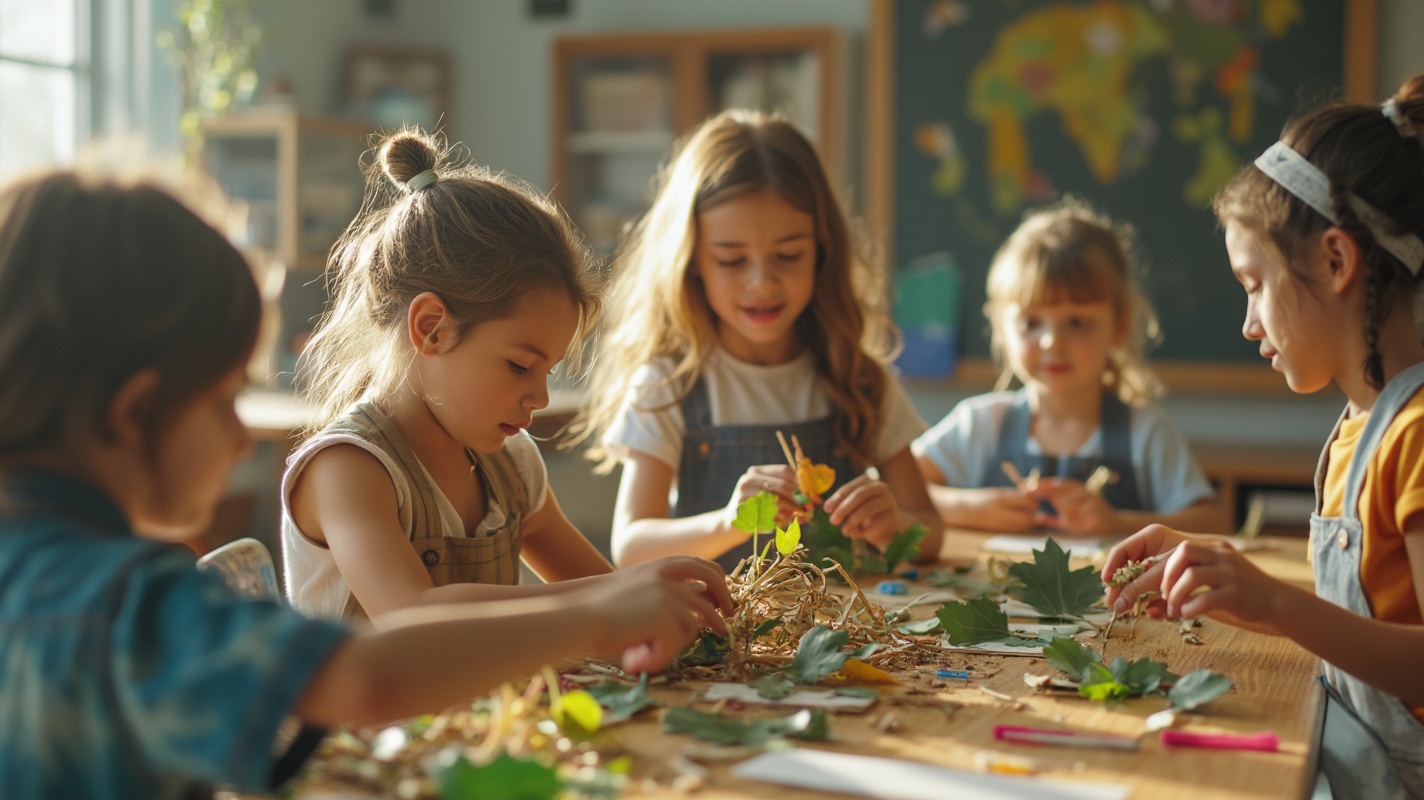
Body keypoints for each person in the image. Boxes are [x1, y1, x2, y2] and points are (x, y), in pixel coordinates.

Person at [0, 167, 732, 799]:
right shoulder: (131, 602)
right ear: (134, 411)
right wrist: (597, 616)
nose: (237, 438)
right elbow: (369, 676)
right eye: (226, 399)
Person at [1104, 73, 1424, 798]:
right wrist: (1234, 585)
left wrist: (1276, 603)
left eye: (1254, 284)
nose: (1249, 323)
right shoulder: (1361, 424)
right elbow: (1369, 613)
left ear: (1335, 260)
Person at [285, 130, 643, 620]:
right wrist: (628, 593)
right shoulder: (348, 470)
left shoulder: (514, 469)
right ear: (431, 328)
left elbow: (612, 598)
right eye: (520, 366)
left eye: (548, 372)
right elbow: (413, 614)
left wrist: (653, 595)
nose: (539, 397)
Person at [574, 110, 943, 572]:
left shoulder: (858, 377)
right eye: (731, 260)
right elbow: (631, 547)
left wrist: (896, 525)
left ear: (822, 252)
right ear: (692, 262)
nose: (761, 283)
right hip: (725, 635)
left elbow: (932, 534)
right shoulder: (668, 384)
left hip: (848, 630)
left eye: (788, 255)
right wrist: (731, 522)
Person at [912, 200, 1224, 537]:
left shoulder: (1146, 433)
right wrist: (970, 508)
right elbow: (892, 489)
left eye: (1077, 322)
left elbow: (1210, 525)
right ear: (1001, 328)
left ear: (1118, 328)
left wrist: (1117, 525)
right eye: (1031, 322)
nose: (1052, 342)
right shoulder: (980, 425)